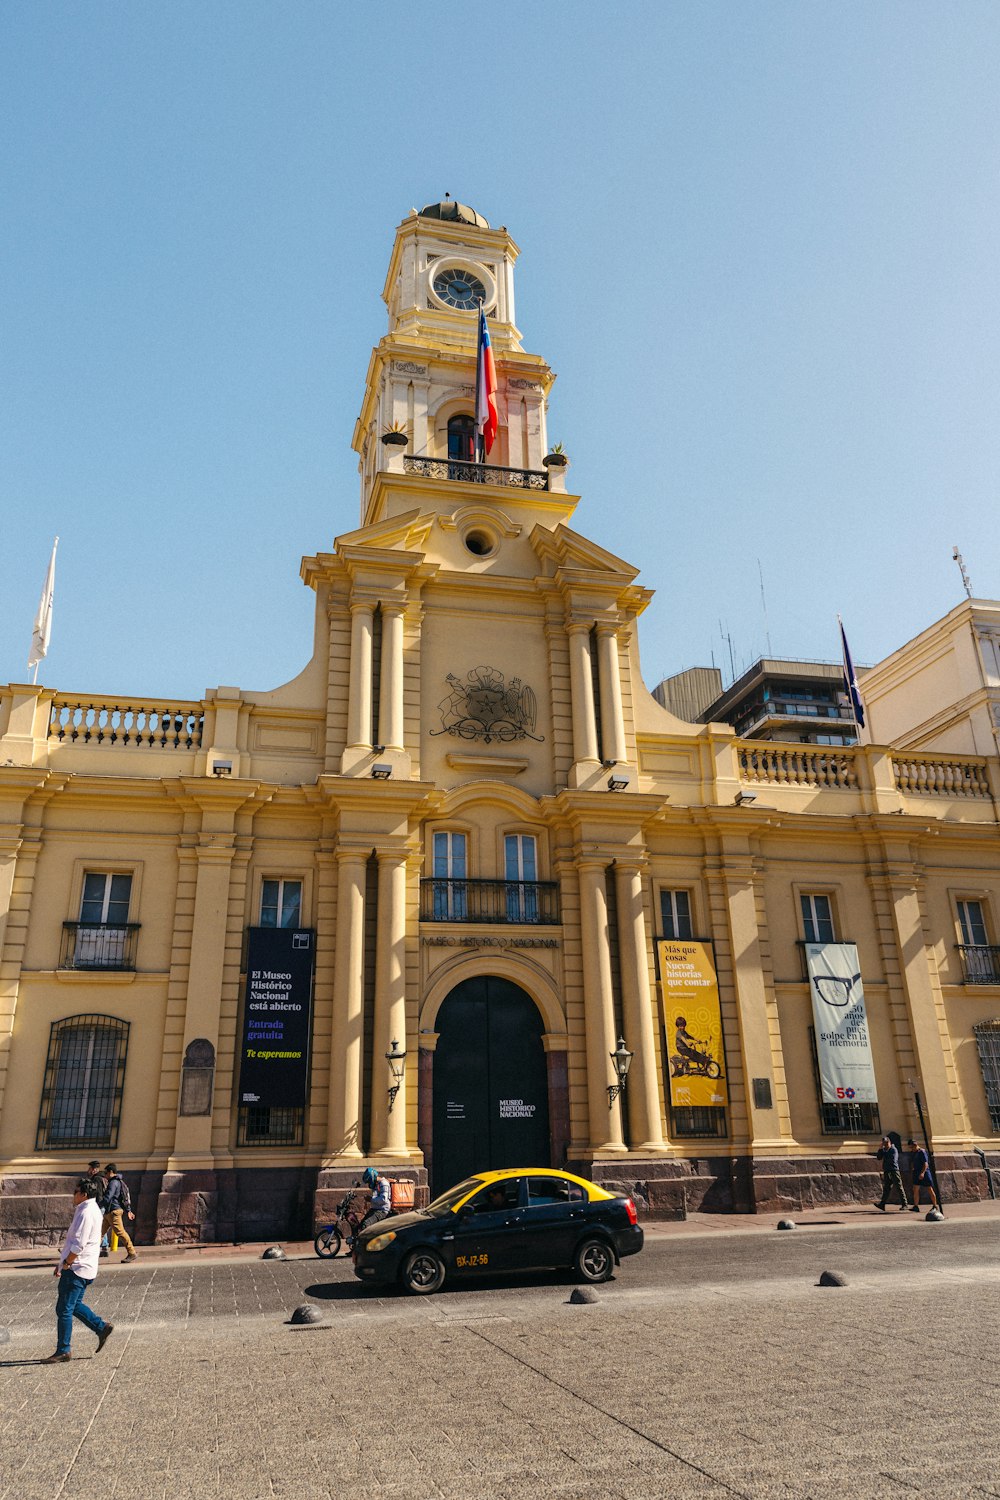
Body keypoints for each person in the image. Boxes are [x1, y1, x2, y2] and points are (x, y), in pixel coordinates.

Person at [45, 1178, 114, 1363]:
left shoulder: (86, 1213)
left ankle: (63, 1350)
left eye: (75, 1192)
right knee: (74, 1305)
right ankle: (101, 1327)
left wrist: (67, 1263)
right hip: (83, 1266)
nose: (73, 1195)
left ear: (84, 1194)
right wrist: (62, 1263)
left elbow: (79, 1244)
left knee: (64, 1309)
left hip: (77, 1268)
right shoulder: (89, 1209)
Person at [101, 1163, 138, 1262]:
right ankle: (86, 1253)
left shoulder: (113, 1183)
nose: (105, 1175)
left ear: (111, 1172)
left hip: (113, 1211)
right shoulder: (116, 1182)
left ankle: (132, 1252)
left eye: (106, 1173)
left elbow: (109, 1196)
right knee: (99, 1233)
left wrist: (99, 1205)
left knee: (121, 1233)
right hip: (110, 1211)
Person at [907, 1137, 941, 1213]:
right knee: (915, 1189)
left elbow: (925, 1164)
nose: (911, 1149)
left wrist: (922, 1173)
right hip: (916, 1172)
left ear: (915, 1145)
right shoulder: (914, 1153)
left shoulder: (922, 1152)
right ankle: (916, 1206)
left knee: (929, 1189)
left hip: (924, 1173)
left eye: (912, 1147)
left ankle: (935, 1205)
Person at [874, 1135, 908, 1211]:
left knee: (899, 1186)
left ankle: (905, 1204)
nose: (885, 1145)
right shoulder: (884, 1150)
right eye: (884, 1143)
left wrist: (885, 1154)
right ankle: (882, 1204)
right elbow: (879, 1158)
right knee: (886, 1188)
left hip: (894, 1170)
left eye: (886, 1143)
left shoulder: (893, 1149)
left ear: (889, 1142)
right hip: (887, 1171)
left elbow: (893, 1160)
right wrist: (880, 1149)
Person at [85, 1160, 110, 1258]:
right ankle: (104, 1247)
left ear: (94, 1169)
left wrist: (97, 1206)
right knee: (101, 1226)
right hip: (102, 1206)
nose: (88, 1170)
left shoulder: (97, 1178)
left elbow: (98, 1194)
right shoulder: (103, 1177)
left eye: (90, 1168)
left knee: (97, 1227)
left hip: (99, 1206)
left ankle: (102, 1247)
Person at [357, 1166, 393, 1234]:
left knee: (366, 1224)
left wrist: (371, 1199)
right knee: (360, 1225)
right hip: (375, 1209)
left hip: (382, 1210)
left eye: (369, 1181)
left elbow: (384, 1199)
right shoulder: (377, 1184)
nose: (369, 1184)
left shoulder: (383, 1183)